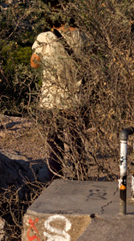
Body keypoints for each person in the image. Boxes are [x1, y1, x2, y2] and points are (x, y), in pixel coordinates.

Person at [30, 11, 87, 179]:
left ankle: (56, 181)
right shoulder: (81, 36)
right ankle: (80, 177)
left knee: (55, 145)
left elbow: (34, 64)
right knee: (77, 143)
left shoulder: (45, 37)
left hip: (52, 99)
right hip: (76, 98)